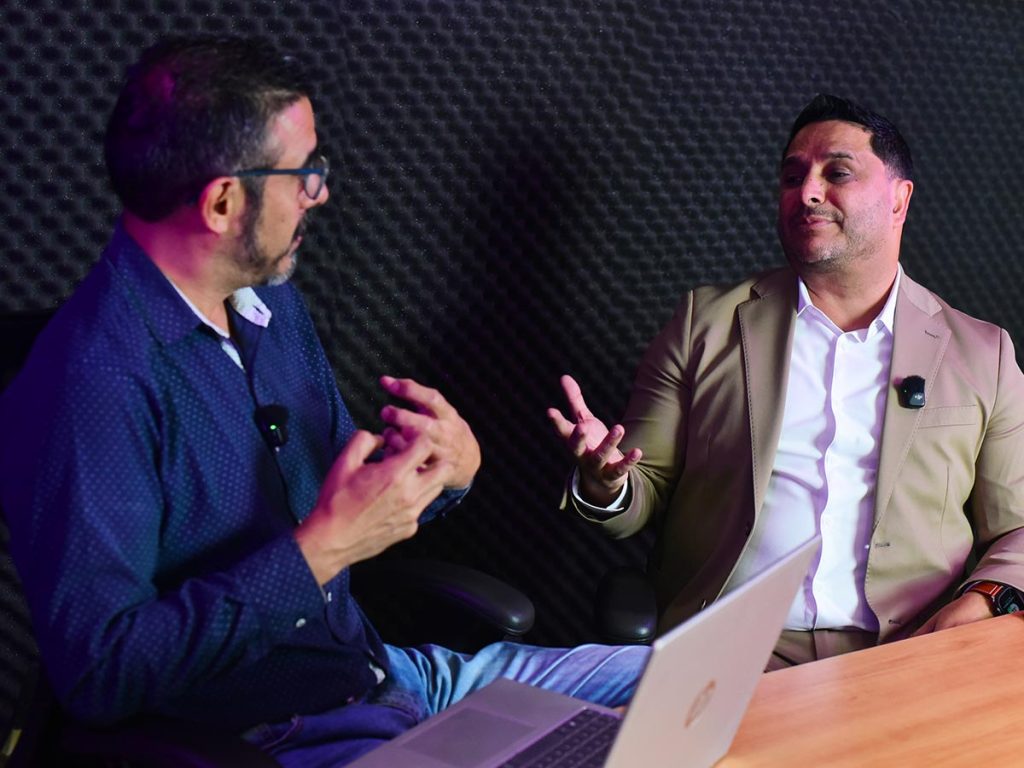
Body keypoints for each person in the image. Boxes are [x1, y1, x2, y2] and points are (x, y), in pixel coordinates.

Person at [0, 36, 647, 767]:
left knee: (672, 686)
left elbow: (355, 509)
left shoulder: (274, 314)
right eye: (305, 172)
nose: (322, 191)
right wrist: (319, 552)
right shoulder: (90, 383)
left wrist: (445, 474)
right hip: (278, 734)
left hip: (391, 677)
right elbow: (102, 673)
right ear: (223, 200)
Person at [549, 93, 1024, 667]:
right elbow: (639, 493)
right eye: (792, 175)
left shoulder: (981, 352)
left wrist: (978, 603)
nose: (808, 192)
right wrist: (606, 484)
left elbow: (1017, 529)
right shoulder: (706, 324)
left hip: (909, 654)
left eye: (837, 172)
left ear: (900, 200)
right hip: (734, 652)